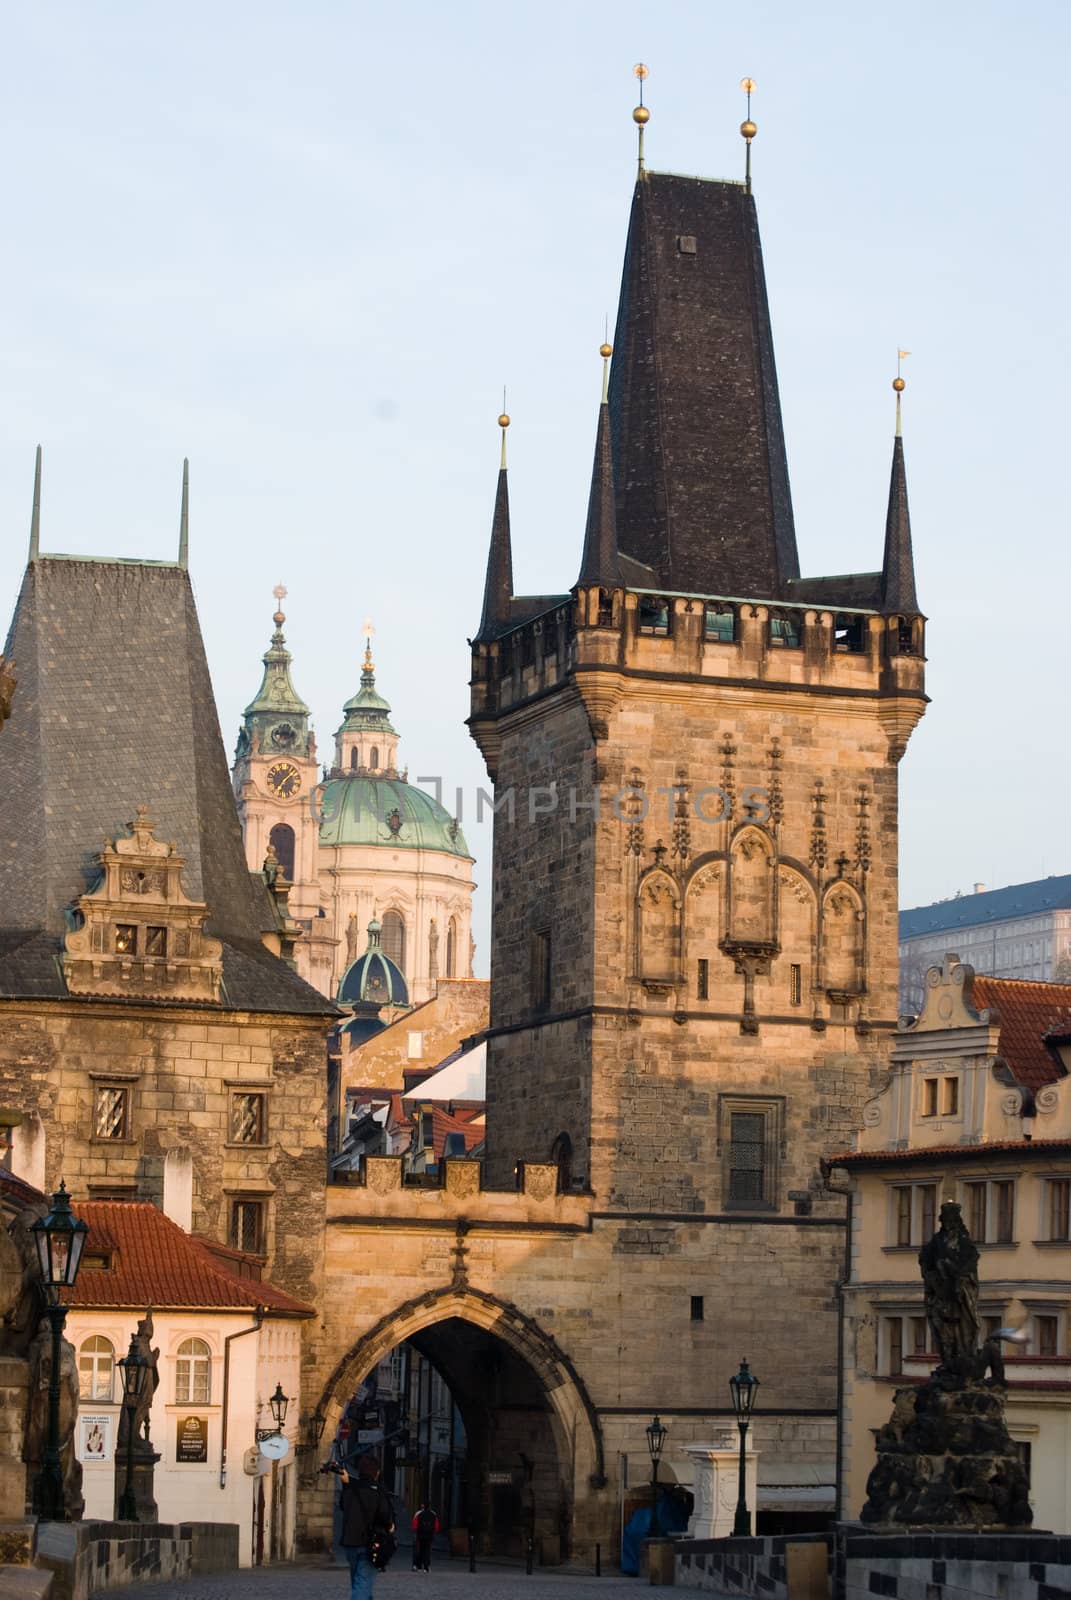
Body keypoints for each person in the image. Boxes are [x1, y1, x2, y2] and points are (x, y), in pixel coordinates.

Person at [339, 1454, 394, 1600]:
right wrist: (390, 1526)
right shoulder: (377, 1491)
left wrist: (346, 1483)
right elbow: (384, 1514)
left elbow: (343, 1506)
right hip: (370, 1543)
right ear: (376, 1473)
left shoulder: (350, 1488)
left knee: (360, 1583)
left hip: (350, 1542)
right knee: (362, 1584)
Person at [411, 1499, 440, 1571]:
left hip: (420, 1535)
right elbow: (436, 1526)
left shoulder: (418, 1513)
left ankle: (418, 1565)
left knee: (418, 1550)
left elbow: (414, 1526)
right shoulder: (433, 1514)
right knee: (427, 1550)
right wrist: (433, 1532)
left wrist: (416, 1532)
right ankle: (427, 1566)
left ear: (422, 1506)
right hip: (429, 1535)